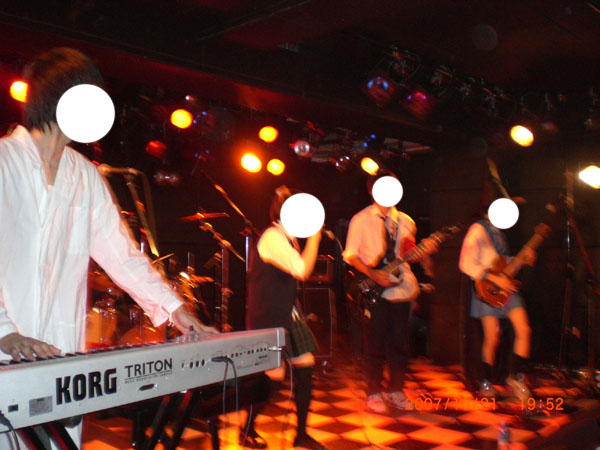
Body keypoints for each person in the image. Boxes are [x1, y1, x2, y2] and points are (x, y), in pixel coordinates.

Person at [0, 47, 216, 447]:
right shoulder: (3, 161)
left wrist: (176, 310)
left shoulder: (85, 176)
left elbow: (123, 256)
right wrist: (4, 332)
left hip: (61, 357)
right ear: (60, 96)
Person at [343, 175, 437, 414]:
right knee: (374, 343)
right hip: (373, 288)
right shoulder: (361, 219)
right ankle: (373, 392)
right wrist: (372, 273)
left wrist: (424, 254)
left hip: (400, 287)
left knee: (400, 343)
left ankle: (396, 389)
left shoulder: (406, 221)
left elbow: (407, 253)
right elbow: (350, 255)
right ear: (371, 190)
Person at [242, 186, 326, 450]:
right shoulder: (273, 237)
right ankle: (247, 429)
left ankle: (301, 434)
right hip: (268, 317)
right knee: (274, 376)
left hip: (287, 314)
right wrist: (315, 238)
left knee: (306, 365)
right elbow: (301, 270)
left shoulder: (286, 238)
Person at [458, 206, 535, 400]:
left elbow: (501, 262)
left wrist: (522, 260)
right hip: (487, 289)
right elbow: (465, 263)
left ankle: (515, 377)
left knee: (524, 329)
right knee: (492, 337)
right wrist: (492, 278)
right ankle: (485, 381)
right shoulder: (478, 229)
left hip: (505, 288)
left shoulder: (500, 234)